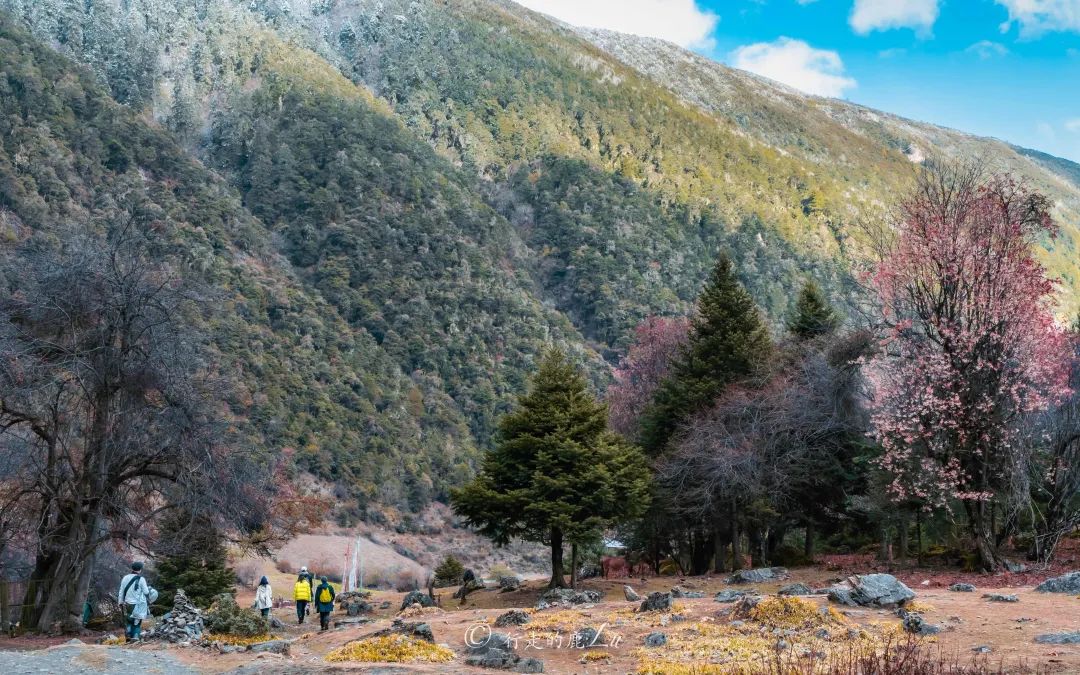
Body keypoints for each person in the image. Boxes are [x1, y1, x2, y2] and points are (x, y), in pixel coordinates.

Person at [117, 561, 157, 641]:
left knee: (129, 621)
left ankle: (128, 638)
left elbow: (121, 591)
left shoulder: (125, 577)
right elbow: (146, 592)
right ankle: (135, 638)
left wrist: (120, 602)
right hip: (137, 605)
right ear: (140, 569)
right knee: (136, 623)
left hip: (127, 604)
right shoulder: (141, 579)